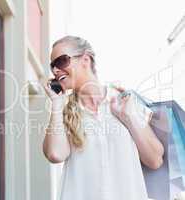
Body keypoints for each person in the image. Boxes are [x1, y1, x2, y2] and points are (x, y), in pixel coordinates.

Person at [43, 35, 164, 200]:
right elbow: (55, 154)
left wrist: (129, 117)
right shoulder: (64, 114)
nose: (56, 70)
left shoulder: (125, 100)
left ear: (85, 60)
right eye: (52, 66)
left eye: (61, 61)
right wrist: (56, 103)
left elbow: (155, 159)